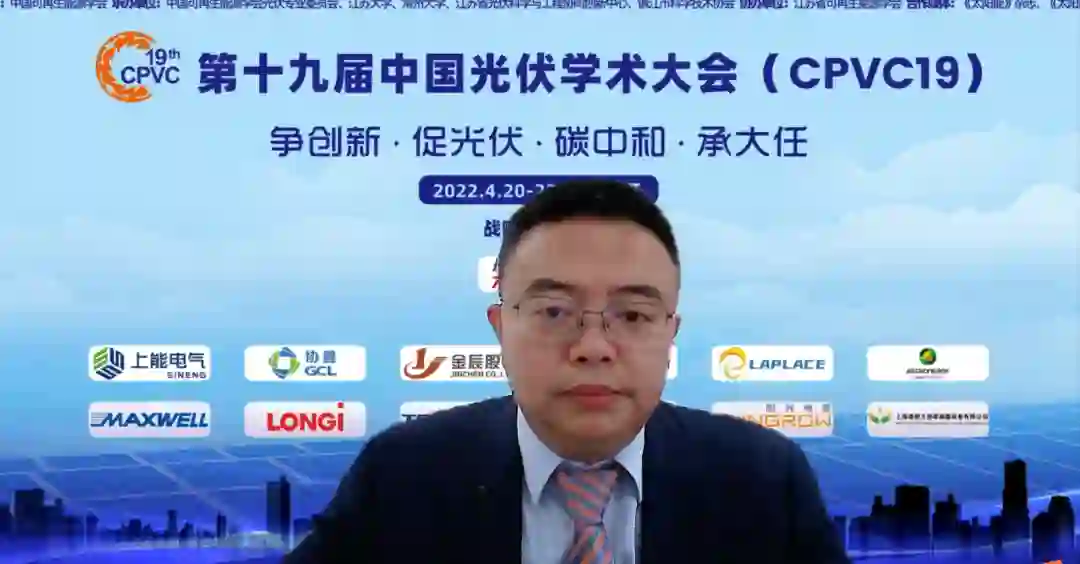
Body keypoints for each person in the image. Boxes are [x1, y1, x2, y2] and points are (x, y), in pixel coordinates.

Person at [283, 179, 849, 564]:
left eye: (633, 315)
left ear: (670, 334)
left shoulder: (763, 479)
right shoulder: (403, 474)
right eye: (554, 312)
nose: (593, 347)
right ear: (501, 328)